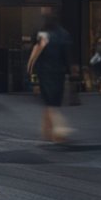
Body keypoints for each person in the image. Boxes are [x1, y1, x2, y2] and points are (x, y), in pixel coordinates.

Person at [27, 12, 72, 143]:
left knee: (49, 103)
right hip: (59, 73)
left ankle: (59, 131)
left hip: (45, 73)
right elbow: (66, 55)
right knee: (53, 102)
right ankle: (48, 132)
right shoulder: (64, 34)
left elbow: (36, 54)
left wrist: (32, 71)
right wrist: (70, 70)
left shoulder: (43, 35)